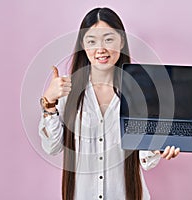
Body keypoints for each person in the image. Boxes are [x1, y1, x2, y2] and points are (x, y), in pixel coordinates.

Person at [38, 7, 180, 200]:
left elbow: (145, 160)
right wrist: (50, 103)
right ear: (83, 45)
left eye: (108, 39)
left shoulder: (139, 91)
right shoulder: (66, 89)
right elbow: (52, 147)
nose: (101, 49)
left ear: (121, 41)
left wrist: (159, 146)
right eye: (92, 41)